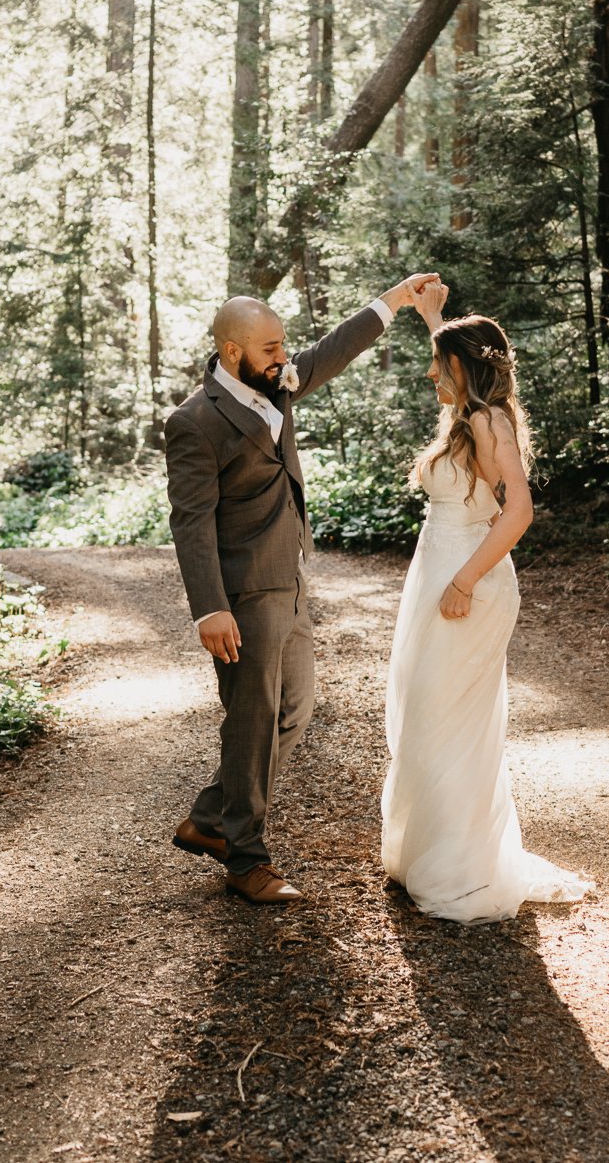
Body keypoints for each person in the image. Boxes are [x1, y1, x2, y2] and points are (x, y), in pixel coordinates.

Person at [163, 275, 439, 904]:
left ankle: (210, 818)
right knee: (252, 721)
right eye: (269, 347)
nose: (284, 356)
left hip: (289, 581)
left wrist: (394, 300)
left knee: (293, 713)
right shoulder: (195, 422)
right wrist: (210, 607)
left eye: (283, 344)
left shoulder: (277, 383)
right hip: (241, 595)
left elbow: (333, 350)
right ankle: (246, 861)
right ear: (232, 353)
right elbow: (191, 522)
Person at [380, 278, 591, 922]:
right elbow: (455, 366)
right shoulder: (468, 415)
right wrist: (435, 318)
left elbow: (519, 511)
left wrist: (466, 578)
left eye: (439, 368)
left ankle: (462, 864)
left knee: (453, 721)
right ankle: (434, 845)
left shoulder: (489, 419)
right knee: (428, 711)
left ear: (463, 371)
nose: (429, 375)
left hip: (469, 577)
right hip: (438, 571)